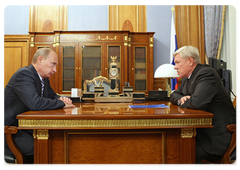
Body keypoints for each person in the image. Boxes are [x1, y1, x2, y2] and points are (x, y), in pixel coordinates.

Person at [2, 48, 75, 164]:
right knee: (45, 148)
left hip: (25, 128)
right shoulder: (24, 74)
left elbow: (52, 96)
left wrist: (62, 99)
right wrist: (62, 103)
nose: (55, 70)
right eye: (53, 64)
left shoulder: (43, 79)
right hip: (9, 131)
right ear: (40, 60)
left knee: (54, 143)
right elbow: (35, 103)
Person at [169, 46, 237, 164]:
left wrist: (186, 101)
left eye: (178, 62)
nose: (175, 67)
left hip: (215, 137)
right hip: (201, 133)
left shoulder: (206, 74)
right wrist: (181, 100)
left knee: (177, 150)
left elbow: (196, 104)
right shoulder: (187, 78)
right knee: (173, 145)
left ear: (190, 61)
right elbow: (173, 95)